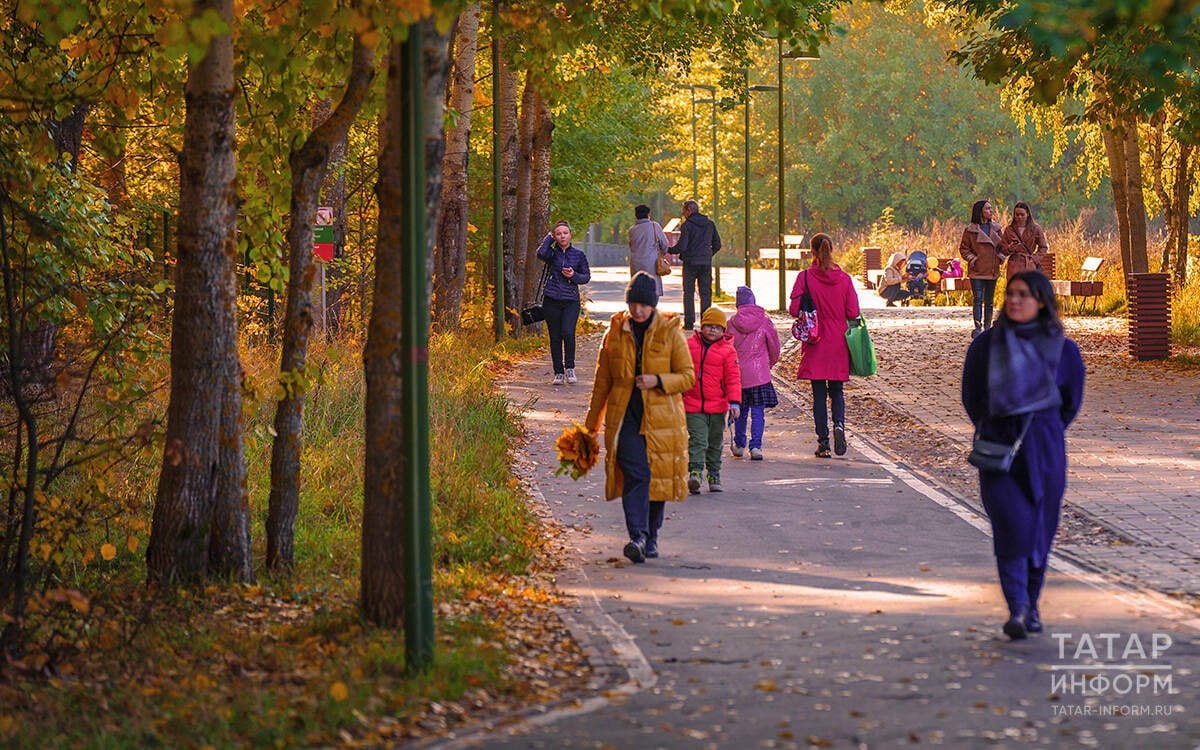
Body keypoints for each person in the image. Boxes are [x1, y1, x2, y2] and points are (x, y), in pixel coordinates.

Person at [961, 270, 1085, 640]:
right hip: (998, 449)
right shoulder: (985, 346)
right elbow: (971, 396)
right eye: (1011, 294)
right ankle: (1017, 606)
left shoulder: (1063, 349)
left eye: (1024, 295)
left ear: (1042, 302)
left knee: (1039, 532)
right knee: (1012, 528)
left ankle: (1031, 605)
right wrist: (991, 425)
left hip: (1044, 450)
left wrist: (1043, 429)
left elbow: (1070, 402)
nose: (1015, 301)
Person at [584, 272, 695, 563]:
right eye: (633, 304)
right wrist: (590, 427)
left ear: (653, 305)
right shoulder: (615, 333)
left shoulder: (670, 332)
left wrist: (658, 380)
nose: (637, 310)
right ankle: (637, 535)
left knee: (656, 479)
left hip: (662, 419)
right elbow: (602, 383)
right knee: (637, 474)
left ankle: (651, 536)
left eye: (643, 305)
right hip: (626, 418)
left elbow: (687, 377)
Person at [789, 233, 861, 458]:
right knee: (837, 391)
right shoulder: (845, 279)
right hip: (839, 341)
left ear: (812, 251)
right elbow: (853, 312)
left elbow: (793, 310)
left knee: (818, 393)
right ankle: (839, 425)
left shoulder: (805, 278)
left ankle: (823, 443)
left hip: (816, 340)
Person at [683, 307, 741, 493]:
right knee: (698, 440)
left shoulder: (728, 351)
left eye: (717, 327)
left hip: (718, 405)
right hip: (693, 403)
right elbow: (679, 369)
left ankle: (714, 473)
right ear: (702, 327)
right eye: (709, 326)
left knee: (715, 441)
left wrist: (735, 402)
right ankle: (695, 473)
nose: (713, 330)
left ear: (723, 331)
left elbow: (733, 378)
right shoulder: (689, 346)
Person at [728, 286, 781, 460]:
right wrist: (769, 364)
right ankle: (756, 446)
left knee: (740, 412)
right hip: (759, 375)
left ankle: (740, 444)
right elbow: (774, 346)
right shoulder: (764, 321)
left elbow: (726, 349)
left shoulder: (731, 323)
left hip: (738, 375)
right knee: (758, 412)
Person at [536, 221, 591, 385]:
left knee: (568, 332)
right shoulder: (552, 254)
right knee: (555, 337)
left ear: (570, 235)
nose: (562, 236)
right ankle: (558, 372)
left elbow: (586, 277)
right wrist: (548, 238)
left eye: (565, 233)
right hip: (551, 300)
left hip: (571, 301)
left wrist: (573, 275)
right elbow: (540, 253)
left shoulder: (579, 255)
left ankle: (570, 368)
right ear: (555, 236)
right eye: (558, 233)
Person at [673, 199, 722, 330]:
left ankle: (689, 323)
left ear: (689, 210)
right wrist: (707, 255)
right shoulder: (710, 224)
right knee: (705, 293)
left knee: (688, 293)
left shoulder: (687, 225)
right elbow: (717, 244)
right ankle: (706, 322)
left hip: (690, 263)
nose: (683, 213)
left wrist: (668, 249)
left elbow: (682, 246)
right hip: (705, 263)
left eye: (684, 210)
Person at [959, 199, 1005, 338]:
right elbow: (964, 248)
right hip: (977, 271)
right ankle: (977, 327)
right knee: (978, 298)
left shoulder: (996, 228)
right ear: (980, 211)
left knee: (989, 300)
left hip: (992, 269)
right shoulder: (970, 230)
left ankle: (987, 327)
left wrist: (1001, 256)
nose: (991, 211)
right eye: (987, 209)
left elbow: (1003, 246)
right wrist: (972, 258)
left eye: (991, 209)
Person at [628, 204, 670, 298]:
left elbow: (631, 246)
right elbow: (664, 244)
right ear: (648, 214)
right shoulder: (654, 226)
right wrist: (661, 254)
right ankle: (650, 310)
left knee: (638, 288)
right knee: (652, 289)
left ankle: (639, 309)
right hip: (651, 263)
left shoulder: (632, 230)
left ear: (636, 215)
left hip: (636, 263)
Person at [1001, 201, 1049, 279]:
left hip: (1029, 263)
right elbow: (1002, 249)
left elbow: (1043, 247)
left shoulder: (1036, 229)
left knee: (1029, 288)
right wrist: (1010, 248)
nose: (1019, 217)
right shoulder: (1009, 230)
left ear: (1027, 214)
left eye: (1022, 215)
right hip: (1014, 265)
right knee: (1014, 288)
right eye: (1017, 215)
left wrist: (1034, 259)